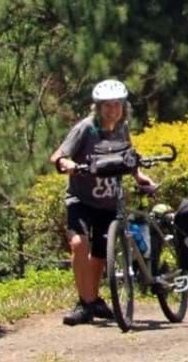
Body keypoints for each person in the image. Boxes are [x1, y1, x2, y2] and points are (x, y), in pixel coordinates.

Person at [49, 78, 158, 325]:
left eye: (117, 104)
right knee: (78, 244)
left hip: (110, 202)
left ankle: (93, 301)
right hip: (81, 199)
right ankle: (85, 303)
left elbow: (128, 158)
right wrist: (68, 165)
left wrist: (139, 176)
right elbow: (57, 156)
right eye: (107, 105)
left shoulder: (122, 128)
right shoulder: (85, 129)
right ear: (97, 107)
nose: (113, 110)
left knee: (100, 254)